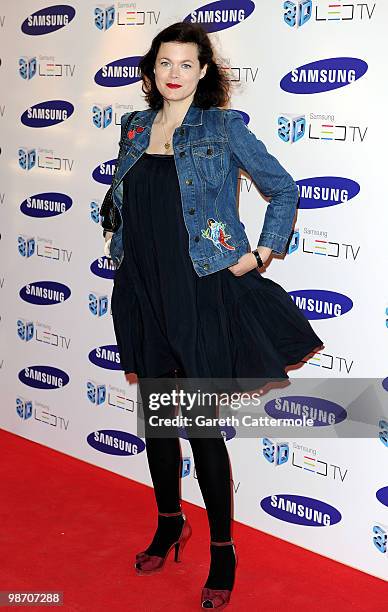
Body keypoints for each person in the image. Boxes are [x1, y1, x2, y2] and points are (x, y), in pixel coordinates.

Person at [102, 21, 324, 610]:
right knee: (156, 421)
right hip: (143, 290)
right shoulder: (133, 129)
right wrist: (115, 237)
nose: (173, 73)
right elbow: (124, 200)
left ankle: (222, 548)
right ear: (150, 72)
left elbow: (283, 188)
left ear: (203, 72)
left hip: (199, 292)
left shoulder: (222, 128)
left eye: (185, 63)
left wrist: (262, 252)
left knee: (198, 428)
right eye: (163, 63)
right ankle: (170, 521)